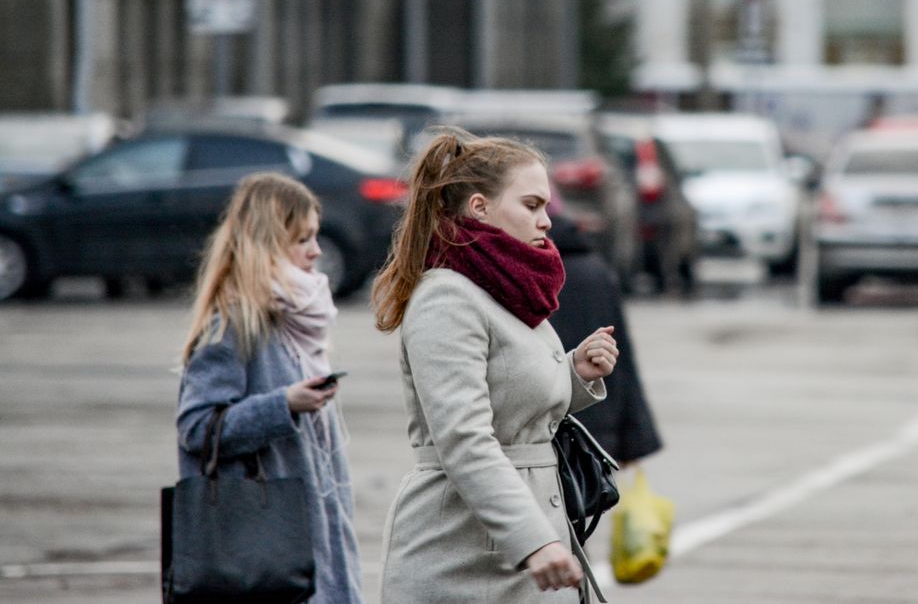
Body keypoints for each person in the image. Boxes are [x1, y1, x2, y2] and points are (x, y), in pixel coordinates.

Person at [374, 128, 619, 603]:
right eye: (531, 205)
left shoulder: (507, 287)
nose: (546, 220)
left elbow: (513, 400)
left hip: (524, 542)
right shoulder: (447, 298)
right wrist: (534, 540)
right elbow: (464, 439)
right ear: (480, 208)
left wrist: (575, 373)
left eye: (546, 205)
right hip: (465, 557)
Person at [175, 172, 363, 603]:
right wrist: (284, 405)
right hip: (261, 551)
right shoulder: (232, 325)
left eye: (315, 236)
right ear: (268, 244)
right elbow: (197, 428)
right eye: (302, 239)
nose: (317, 250)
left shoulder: (295, 323)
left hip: (315, 538)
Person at [548, 211, 662, 466]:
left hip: (550, 423)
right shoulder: (597, 270)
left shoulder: (532, 273)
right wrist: (634, 438)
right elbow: (623, 357)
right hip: (600, 422)